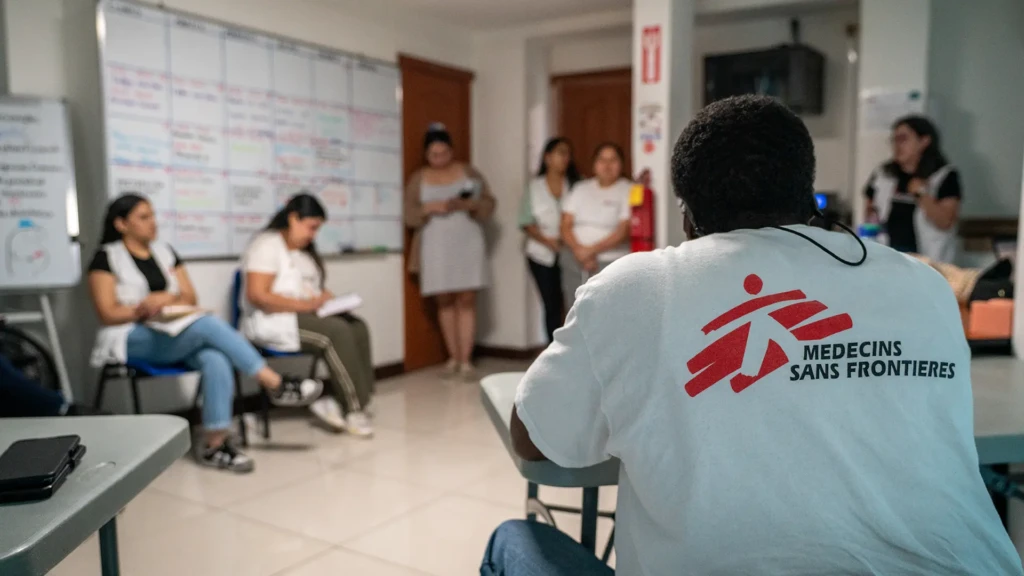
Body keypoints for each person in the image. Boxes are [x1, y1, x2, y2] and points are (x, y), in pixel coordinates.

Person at [485, 96, 1021, 575]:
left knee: (512, 541)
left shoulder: (635, 290)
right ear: (809, 198)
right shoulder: (924, 286)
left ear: (687, 216)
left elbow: (532, 435)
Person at [88, 194, 322, 474]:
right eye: (143, 217)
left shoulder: (165, 252)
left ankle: (215, 445)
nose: (153, 223)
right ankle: (274, 383)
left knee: (214, 357)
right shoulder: (106, 257)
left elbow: (189, 296)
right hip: (130, 338)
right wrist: (143, 309)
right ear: (121, 224)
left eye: (153, 215)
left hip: (170, 332)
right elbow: (107, 313)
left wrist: (164, 299)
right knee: (206, 325)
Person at [241, 193, 376, 438]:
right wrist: (308, 306)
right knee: (336, 332)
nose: (313, 235)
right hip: (272, 321)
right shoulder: (266, 245)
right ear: (293, 218)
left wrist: (327, 300)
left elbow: (309, 289)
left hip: (304, 315)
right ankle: (353, 409)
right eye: (311, 227)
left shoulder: (304, 253)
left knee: (357, 326)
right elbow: (258, 295)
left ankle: (352, 400)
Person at [404, 123, 496, 379]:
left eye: (444, 153)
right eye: (434, 155)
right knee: (443, 299)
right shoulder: (418, 178)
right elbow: (408, 214)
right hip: (435, 244)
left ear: (452, 151)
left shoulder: (468, 172)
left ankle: (466, 359)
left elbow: (488, 204)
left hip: (466, 240)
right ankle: (452, 357)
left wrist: (466, 204)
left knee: (466, 299)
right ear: (426, 155)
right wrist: (428, 208)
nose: (439, 159)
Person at [864, 115, 961, 262]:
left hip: (930, 262)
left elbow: (945, 222)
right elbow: (869, 213)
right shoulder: (883, 174)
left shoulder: (944, 175)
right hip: (888, 260)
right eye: (894, 140)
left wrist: (921, 193)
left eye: (903, 139)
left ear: (924, 141)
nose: (897, 145)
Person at [519, 137, 580, 343]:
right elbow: (526, 221)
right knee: (551, 303)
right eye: (560, 153)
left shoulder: (575, 185)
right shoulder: (534, 187)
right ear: (547, 157)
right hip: (541, 253)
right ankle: (551, 348)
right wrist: (547, 241)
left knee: (573, 302)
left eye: (567, 154)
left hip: (570, 252)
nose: (565, 158)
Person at [560, 142, 632, 306]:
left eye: (613, 160)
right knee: (575, 310)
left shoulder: (629, 189)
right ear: (594, 164)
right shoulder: (580, 188)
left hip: (610, 262)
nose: (607, 165)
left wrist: (591, 251)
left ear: (621, 164)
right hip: (575, 259)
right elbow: (565, 225)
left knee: (606, 311)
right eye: (602, 160)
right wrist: (579, 251)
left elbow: (623, 230)